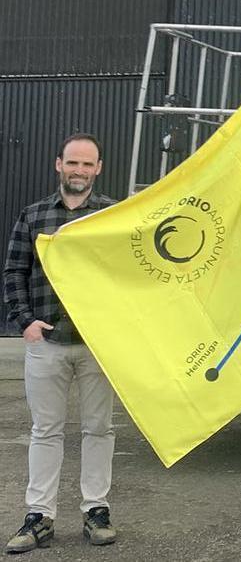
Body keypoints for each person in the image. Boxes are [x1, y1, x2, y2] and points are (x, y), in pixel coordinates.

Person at [3, 133, 119, 553]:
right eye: (73, 163)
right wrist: (25, 322)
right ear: (58, 164)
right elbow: (14, 271)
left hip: (96, 346)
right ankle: (39, 517)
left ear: (98, 169)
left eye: (88, 164)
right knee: (45, 431)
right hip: (46, 343)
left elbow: (130, 277)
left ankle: (96, 511)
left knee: (98, 430)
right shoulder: (33, 217)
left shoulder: (113, 217)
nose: (79, 171)